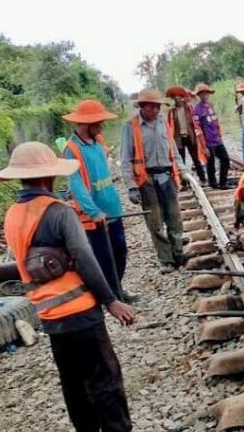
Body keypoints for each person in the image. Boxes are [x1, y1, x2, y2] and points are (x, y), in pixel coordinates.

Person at [0, 142, 158, 432]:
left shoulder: (13, 214)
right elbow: (85, 259)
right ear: (48, 177)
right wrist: (111, 300)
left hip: (48, 314)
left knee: (72, 379)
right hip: (79, 309)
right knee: (103, 375)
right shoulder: (59, 213)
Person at [60, 99, 137, 301]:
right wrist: (93, 211)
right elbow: (76, 185)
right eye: (99, 122)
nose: (102, 125)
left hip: (112, 210)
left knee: (120, 252)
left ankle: (116, 289)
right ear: (86, 123)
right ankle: (111, 296)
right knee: (103, 258)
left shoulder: (99, 141)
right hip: (95, 217)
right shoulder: (72, 149)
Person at [120, 88, 186, 271]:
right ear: (142, 106)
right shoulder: (131, 126)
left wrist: (183, 171)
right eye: (151, 107)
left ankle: (178, 252)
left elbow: (172, 149)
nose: (155, 111)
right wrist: (131, 186)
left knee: (174, 217)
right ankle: (165, 259)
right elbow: (125, 159)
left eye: (158, 107)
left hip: (167, 176)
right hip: (146, 180)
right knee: (155, 222)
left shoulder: (163, 122)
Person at [166, 86, 207, 183]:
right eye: (175, 97)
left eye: (179, 97)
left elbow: (195, 121)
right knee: (181, 160)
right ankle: (184, 182)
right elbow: (170, 126)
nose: (177, 99)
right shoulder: (172, 112)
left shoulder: (189, 108)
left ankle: (203, 179)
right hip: (178, 138)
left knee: (196, 159)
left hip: (190, 136)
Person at [194, 83, 231, 189]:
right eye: (202, 94)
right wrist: (203, 146)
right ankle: (213, 184)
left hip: (217, 139)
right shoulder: (197, 109)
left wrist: (219, 135)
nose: (205, 95)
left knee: (225, 159)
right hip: (208, 141)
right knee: (211, 163)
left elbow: (216, 122)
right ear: (199, 95)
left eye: (206, 93)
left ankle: (223, 183)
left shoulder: (210, 105)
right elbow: (198, 129)